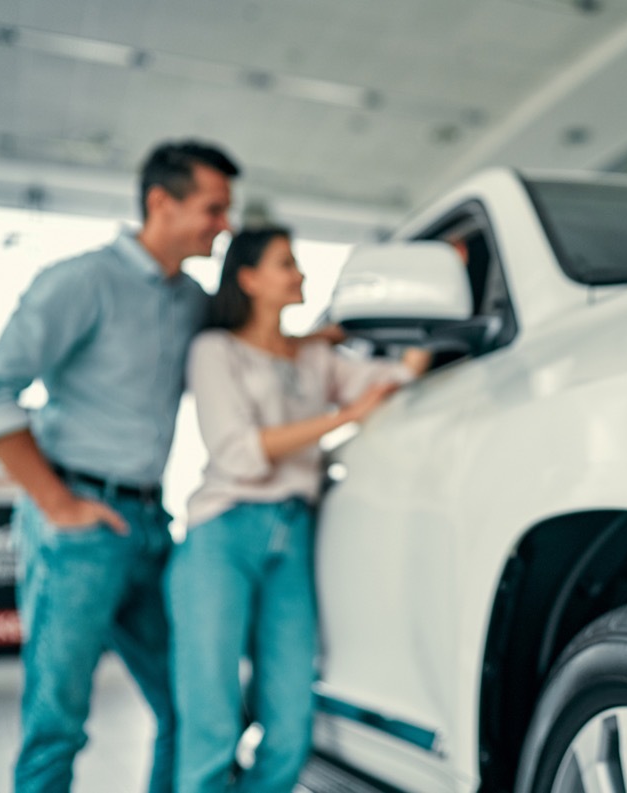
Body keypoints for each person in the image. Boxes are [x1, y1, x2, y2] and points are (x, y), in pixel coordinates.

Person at [0, 140, 240, 793]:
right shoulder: (82, 281)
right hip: (79, 524)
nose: (224, 226)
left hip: (152, 526)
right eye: (213, 209)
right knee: (57, 722)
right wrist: (58, 504)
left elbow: (259, 341)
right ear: (162, 202)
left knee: (191, 705)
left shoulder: (191, 301)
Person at [166, 226, 430, 793]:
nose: (301, 275)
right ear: (249, 279)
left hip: (294, 535)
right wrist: (344, 417)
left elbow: (396, 378)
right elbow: (238, 453)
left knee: (290, 727)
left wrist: (433, 307)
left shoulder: (317, 359)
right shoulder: (215, 350)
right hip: (223, 532)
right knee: (211, 724)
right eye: (287, 264)